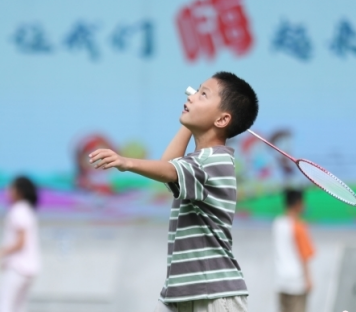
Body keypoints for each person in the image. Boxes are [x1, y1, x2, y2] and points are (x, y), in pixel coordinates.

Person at [89, 71, 258, 312]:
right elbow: (169, 164)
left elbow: (167, 169)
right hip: (180, 292)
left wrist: (127, 162)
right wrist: (190, 121)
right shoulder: (199, 160)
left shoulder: (215, 161)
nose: (191, 96)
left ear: (222, 119)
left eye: (203, 94)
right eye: (196, 91)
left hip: (215, 294)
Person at [0, 176, 40, 312]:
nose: (8, 191)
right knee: (18, 308)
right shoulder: (28, 210)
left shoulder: (18, 210)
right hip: (29, 268)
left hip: (17, 267)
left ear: (19, 192)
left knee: (4, 306)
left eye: (11, 188)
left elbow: (21, 242)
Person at [272, 189, 315, 312]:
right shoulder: (298, 226)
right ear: (298, 204)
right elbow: (304, 256)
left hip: (280, 281)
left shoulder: (277, 223)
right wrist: (308, 279)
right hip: (297, 283)